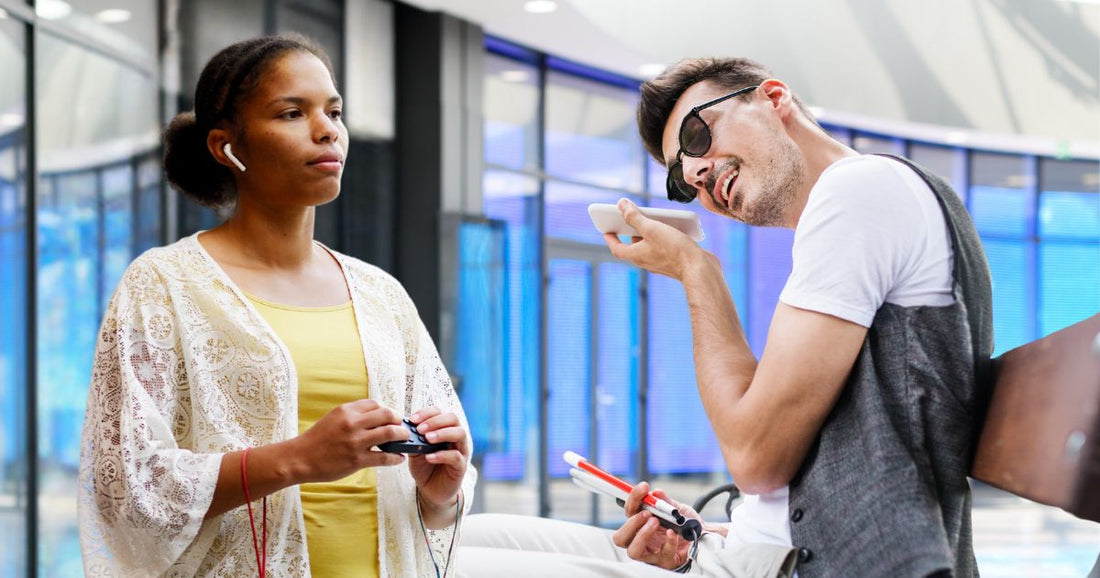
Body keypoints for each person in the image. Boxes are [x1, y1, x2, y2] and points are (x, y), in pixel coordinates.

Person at [460, 57, 992, 578]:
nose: (694, 173)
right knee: (463, 536)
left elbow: (756, 457)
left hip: (820, 564)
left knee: (441, 563)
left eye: (697, 136)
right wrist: (705, 536)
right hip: (748, 552)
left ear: (774, 97)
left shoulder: (856, 191)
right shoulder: (858, 206)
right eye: (679, 178)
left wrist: (698, 273)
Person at [78, 34, 476, 577]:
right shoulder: (163, 285)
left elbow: (434, 504)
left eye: (334, 111)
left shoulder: (382, 294)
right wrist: (298, 458)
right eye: (292, 113)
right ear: (226, 147)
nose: (327, 129)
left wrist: (440, 494)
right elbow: (125, 488)